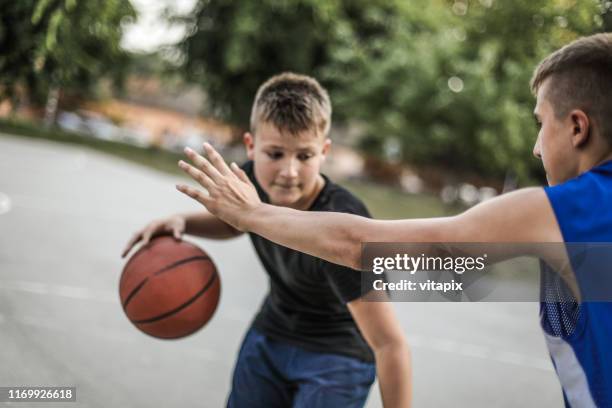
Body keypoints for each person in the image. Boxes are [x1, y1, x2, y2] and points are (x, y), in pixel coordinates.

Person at [176, 33, 612, 407]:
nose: (536, 147)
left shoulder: (560, 209)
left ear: (577, 128)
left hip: (335, 357)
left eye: (540, 123)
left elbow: (359, 247)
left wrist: (251, 213)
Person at [124, 72, 411, 408]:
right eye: (275, 154)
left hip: (337, 354)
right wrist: (182, 223)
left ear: (324, 151)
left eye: (304, 156)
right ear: (251, 146)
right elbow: (238, 223)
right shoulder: (253, 187)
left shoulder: (344, 229)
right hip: (273, 333)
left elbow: (390, 344)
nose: (288, 171)